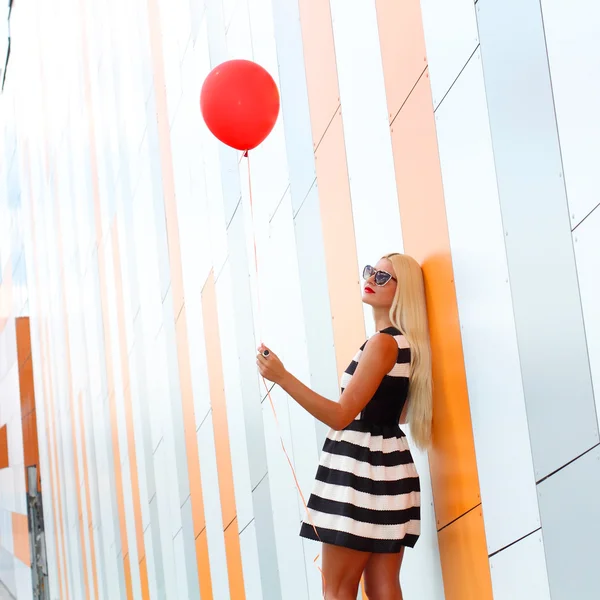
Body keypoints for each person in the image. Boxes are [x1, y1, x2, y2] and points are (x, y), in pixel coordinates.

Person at [256, 253, 433, 600]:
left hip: (358, 472)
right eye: (371, 271)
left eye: (384, 277)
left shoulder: (382, 343)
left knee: (337, 590)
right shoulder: (405, 345)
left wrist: (282, 377)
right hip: (390, 469)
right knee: (383, 587)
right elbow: (393, 414)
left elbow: (341, 416)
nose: (371, 278)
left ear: (403, 291)